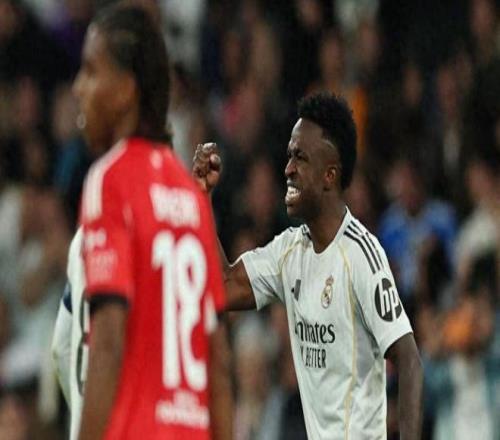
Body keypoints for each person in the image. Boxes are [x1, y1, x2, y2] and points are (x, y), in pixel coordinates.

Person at [193, 92, 423, 439]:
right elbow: (222, 287)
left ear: (330, 175)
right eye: (289, 156)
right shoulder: (290, 251)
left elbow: (409, 359)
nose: (288, 169)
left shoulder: (361, 255)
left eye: (300, 158)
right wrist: (201, 198)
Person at [51, 5, 231, 440]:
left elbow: (107, 342)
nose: (78, 87)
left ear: (126, 90)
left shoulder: (109, 180)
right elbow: (218, 364)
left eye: (91, 71)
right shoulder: (191, 199)